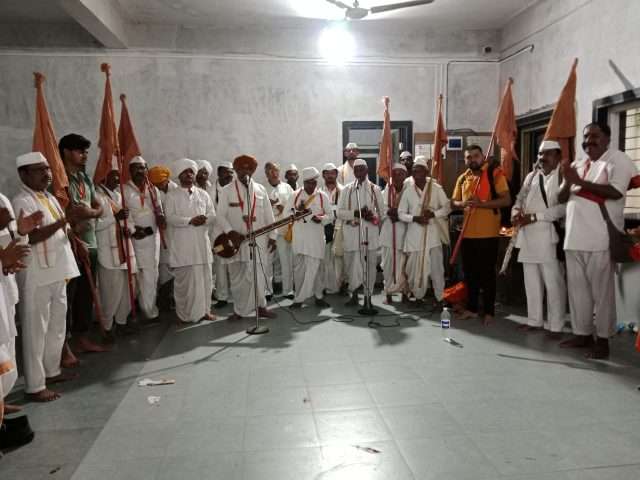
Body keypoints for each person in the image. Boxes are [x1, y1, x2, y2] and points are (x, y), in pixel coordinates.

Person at [558, 123, 638, 358]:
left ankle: (603, 341)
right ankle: (582, 334)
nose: (588, 141)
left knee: (602, 294)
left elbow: (615, 192)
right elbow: (561, 198)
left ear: (607, 138)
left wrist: (579, 182)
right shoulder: (577, 164)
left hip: (600, 237)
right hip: (573, 237)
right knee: (578, 291)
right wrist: (567, 180)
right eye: (585, 136)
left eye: (595, 136)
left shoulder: (618, 159)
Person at [12, 152, 81, 402]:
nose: (47, 174)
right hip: (37, 274)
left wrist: (73, 230)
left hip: (59, 270)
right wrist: (65, 221)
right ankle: (34, 385)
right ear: (23, 175)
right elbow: (30, 236)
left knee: (57, 326)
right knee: (35, 331)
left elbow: (63, 229)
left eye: (48, 169)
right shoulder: (21, 201)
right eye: (39, 170)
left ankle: (52, 371)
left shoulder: (49, 197)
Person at [511, 140, 567, 337]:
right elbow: (519, 199)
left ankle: (556, 326)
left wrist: (535, 217)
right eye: (540, 154)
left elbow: (564, 208)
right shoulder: (531, 176)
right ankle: (534, 320)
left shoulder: (562, 176)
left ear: (558, 156)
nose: (542, 158)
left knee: (553, 283)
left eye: (547, 153)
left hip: (548, 236)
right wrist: (515, 212)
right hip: (527, 236)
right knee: (531, 282)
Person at [451, 144, 511, 325]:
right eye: (468, 157)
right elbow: (453, 202)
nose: (472, 160)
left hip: (488, 234)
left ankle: (489, 312)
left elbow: (506, 200)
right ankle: (471, 309)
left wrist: (481, 204)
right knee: (470, 274)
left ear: (482, 156)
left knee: (487, 275)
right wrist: (463, 204)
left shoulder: (494, 174)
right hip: (467, 234)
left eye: (475, 156)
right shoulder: (463, 178)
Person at [59, 133, 107, 355]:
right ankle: (64, 346)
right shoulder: (59, 180)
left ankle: (82, 338)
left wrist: (90, 213)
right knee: (67, 298)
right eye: (80, 151)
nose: (85, 155)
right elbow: (63, 213)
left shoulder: (84, 178)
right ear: (66, 152)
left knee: (86, 295)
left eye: (86, 151)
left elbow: (99, 207)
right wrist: (81, 218)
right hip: (70, 246)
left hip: (91, 243)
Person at [216, 155, 277, 320]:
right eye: (241, 169)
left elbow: (269, 215)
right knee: (237, 276)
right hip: (236, 241)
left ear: (252, 171)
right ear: (236, 171)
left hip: (259, 239)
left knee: (259, 274)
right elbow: (220, 215)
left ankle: (261, 306)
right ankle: (239, 311)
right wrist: (230, 231)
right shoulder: (227, 190)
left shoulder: (260, 189)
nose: (245, 171)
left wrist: (273, 235)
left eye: (248, 169)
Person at [1, 194, 41, 413]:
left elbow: (10, 242)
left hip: (5, 287)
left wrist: (21, 233)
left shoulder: (2, 199)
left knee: (7, 344)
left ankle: (0, 400)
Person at [165, 159, 216, 324]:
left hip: (202, 245)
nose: (189, 174)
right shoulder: (172, 196)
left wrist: (204, 219)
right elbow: (170, 218)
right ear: (179, 175)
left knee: (205, 280)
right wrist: (189, 221)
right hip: (183, 247)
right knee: (184, 284)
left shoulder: (203, 194)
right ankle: (184, 315)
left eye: (191, 172)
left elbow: (212, 215)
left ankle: (205, 311)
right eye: (185, 172)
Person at [399, 157, 451, 305]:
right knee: (413, 270)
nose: (416, 174)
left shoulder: (436, 188)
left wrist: (434, 214)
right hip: (414, 237)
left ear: (426, 172)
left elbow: (447, 207)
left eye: (420, 170)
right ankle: (418, 296)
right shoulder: (408, 191)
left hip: (432, 236)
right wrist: (415, 218)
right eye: (414, 171)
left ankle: (440, 298)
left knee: (437, 269)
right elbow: (401, 213)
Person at [95, 168, 137, 338]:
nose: (117, 179)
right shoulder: (96, 196)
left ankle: (121, 322)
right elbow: (94, 225)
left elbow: (130, 221)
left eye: (118, 175)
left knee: (126, 290)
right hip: (107, 251)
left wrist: (130, 229)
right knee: (110, 292)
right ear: (103, 177)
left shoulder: (119, 196)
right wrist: (115, 218)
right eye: (113, 175)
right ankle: (107, 327)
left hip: (124, 249)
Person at [337, 158, 385, 307]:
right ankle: (354, 295)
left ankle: (368, 296)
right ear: (354, 172)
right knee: (352, 266)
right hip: (352, 235)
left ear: (366, 170)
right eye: (356, 170)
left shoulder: (375, 189)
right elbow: (339, 212)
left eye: (361, 169)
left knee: (370, 266)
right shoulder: (347, 189)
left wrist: (372, 216)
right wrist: (356, 213)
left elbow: (382, 214)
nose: (358, 172)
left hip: (370, 234)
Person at [124, 156, 166, 322]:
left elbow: (159, 210)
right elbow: (123, 213)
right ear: (130, 171)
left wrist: (161, 216)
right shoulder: (124, 190)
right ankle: (138, 310)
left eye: (142, 168)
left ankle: (148, 310)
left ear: (147, 169)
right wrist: (133, 229)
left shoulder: (153, 189)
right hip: (134, 239)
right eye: (136, 168)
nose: (140, 171)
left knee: (151, 274)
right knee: (136, 275)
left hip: (152, 237)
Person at [285, 167, 331, 309]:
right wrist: (297, 211)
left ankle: (311, 298)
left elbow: (330, 216)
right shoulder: (295, 195)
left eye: (314, 182)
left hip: (316, 239)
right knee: (299, 270)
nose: (312, 185)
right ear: (304, 182)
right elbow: (286, 215)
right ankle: (300, 295)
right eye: (309, 182)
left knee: (316, 269)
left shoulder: (322, 196)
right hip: (299, 239)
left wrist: (321, 219)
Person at [263, 162, 294, 299]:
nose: (273, 173)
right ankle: (267, 291)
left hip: (283, 229)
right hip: (268, 230)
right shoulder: (262, 189)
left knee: (286, 261)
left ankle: (288, 290)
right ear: (266, 173)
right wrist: (269, 205)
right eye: (270, 171)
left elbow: (294, 207)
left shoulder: (287, 188)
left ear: (279, 171)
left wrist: (284, 208)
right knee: (267, 261)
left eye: (275, 170)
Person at [379, 163, 409, 304]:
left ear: (405, 175)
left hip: (404, 233)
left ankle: (404, 293)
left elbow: (412, 209)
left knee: (403, 265)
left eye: (400, 173)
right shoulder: (387, 190)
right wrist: (389, 212)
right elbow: (381, 209)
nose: (397, 176)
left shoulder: (409, 190)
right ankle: (388, 293)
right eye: (395, 173)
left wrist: (400, 214)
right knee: (387, 265)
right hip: (388, 233)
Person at [148, 165, 177, 294]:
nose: (158, 186)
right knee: (164, 264)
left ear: (167, 180)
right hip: (160, 233)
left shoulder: (176, 190)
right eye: (155, 183)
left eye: (161, 183)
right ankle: (165, 295)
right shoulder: (151, 191)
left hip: (175, 231)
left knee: (176, 263)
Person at [211, 162, 234, 308]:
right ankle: (222, 297)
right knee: (220, 264)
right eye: (226, 172)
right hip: (217, 234)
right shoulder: (210, 191)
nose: (229, 175)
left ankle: (237, 295)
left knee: (235, 263)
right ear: (219, 174)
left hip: (234, 233)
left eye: (231, 172)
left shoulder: (236, 189)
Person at [319, 163, 344, 295]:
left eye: (332, 173)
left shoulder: (343, 190)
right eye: (327, 173)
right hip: (325, 227)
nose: (330, 175)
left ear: (336, 174)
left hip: (340, 227)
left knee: (339, 257)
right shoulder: (319, 192)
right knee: (325, 257)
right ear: (323, 175)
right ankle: (326, 285)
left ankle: (340, 284)